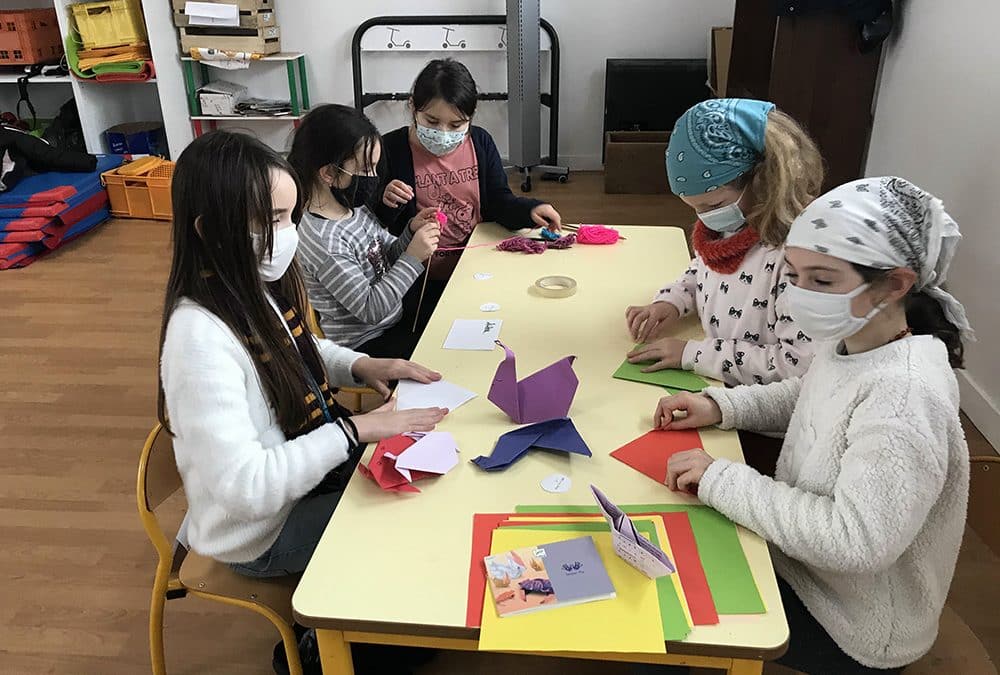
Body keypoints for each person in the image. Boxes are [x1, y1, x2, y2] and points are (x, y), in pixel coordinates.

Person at [655, 177, 972, 674]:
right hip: (802, 559)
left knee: (665, 619)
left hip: (851, 621)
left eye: (822, 281)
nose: (800, 295)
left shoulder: (906, 397)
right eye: (796, 276)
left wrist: (723, 478)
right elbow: (809, 394)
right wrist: (720, 407)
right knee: (669, 547)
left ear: (894, 284)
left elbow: (856, 541)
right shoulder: (855, 339)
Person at [158, 130, 448, 580]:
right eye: (273, 219)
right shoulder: (198, 340)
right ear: (210, 230)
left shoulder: (243, 285)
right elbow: (247, 489)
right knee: (409, 521)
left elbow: (296, 346)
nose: (290, 233)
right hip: (260, 534)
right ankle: (320, 639)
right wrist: (356, 429)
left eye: (290, 216)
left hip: (302, 484)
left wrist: (358, 363)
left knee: (423, 476)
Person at [625, 98, 824, 386]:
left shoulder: (799, 257)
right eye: (695, 208)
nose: (705, 218)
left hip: (756, 411)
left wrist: (692, 354)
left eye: (713, 205)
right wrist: (671, 301)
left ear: (760, 180)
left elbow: (796, 364)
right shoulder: (734, 223)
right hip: (719, 382)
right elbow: (703, 270)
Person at [375, 58, 563, 330]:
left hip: (476, 273)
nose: (443, 133)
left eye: (456, 125)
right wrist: (386, 199)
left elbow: (498, 200)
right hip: (419, 283)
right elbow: (377, 226)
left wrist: (530, 210)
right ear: (412, 107)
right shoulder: (390, 149)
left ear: (470, 118)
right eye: (432, 121)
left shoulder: (480, 141)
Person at [290, 104, 440, 359]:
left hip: (392, 320)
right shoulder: (324, 242)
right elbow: (371, 309)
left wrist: (410, 232)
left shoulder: (351, 207)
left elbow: (383, 255)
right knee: (442, 352)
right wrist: (413, 257)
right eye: (365, 169)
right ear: (328, 173)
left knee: (449, 312)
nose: (373, 177)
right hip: (365, 344)